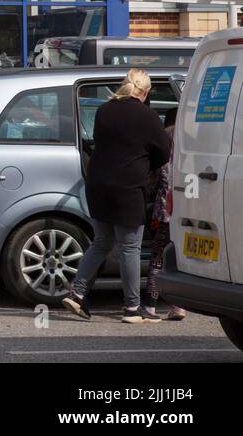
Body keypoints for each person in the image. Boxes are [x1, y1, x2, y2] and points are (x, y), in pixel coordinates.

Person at [63, 68, 172, 324]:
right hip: (128, 189)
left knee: (101, 241)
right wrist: (148, 167)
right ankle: (132, 308)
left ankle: (77, 293)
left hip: (98, 186)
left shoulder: (104, 110)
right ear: (144, 92)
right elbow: (164, 153)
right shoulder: (147, 116)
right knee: (130, 248)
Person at [143, 107, 187, 320]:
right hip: (186, 211)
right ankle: (178, 306)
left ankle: (150, 306)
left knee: (158, 259)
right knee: (177, 260)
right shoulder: (188, 145)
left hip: (163, 213)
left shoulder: (162, 147)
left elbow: (155, 182)